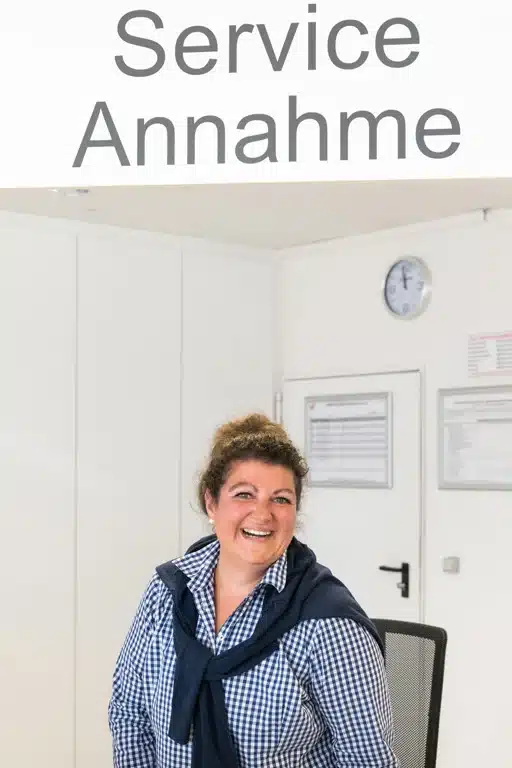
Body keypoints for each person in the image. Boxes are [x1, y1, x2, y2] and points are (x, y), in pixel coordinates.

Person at [108, 413, 399, 768]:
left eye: (281, 499)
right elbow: (129, 712)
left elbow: (367, 761)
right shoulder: (167, 592)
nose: (262, 514)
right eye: (244, 494)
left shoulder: (330, 624)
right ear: (212, 503)